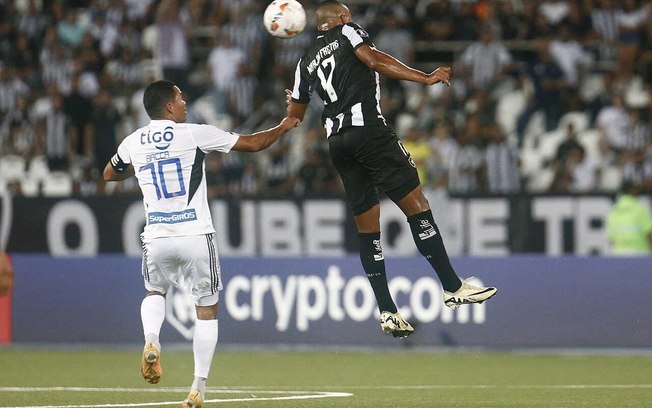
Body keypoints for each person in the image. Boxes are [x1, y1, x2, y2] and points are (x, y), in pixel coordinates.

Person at [286, 0, 497, 339]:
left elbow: (294, 115)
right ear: (340, 18)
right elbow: (373, 59)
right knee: (417, 205)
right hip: (369, 131)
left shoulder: (303, 61)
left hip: (337, 144)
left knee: (368, 229)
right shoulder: (348, 31)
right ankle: (453, 286)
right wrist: (423, 77)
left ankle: (387, 310)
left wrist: (288, 111)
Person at [103, 80, 298, 408]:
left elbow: (109, 174)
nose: (184, 102)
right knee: (206, 311)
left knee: (154, 293)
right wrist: (285, 124)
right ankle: (198, 388)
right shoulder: (194, 133)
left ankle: (152, 340)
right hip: (195, 234)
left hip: (157, 237)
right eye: (179, 97)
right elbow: (253, 144)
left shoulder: (133, 141)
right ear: (168, 107)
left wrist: (142, 168)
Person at [606, 181, 652, 255]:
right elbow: (649, 234)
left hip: (618, 254)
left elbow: (611, 239)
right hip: (640, 254)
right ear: (632, 190)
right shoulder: (639, 209)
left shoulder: (614, 210)